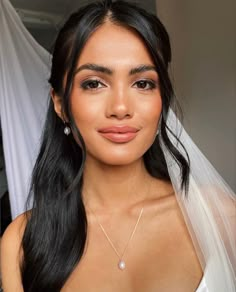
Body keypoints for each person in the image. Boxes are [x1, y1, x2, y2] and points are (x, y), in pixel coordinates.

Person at [1, 1, 235, 291]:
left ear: (162, 99)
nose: (121, 108)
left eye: (143, 83)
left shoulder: (222, 218)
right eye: (94, 83)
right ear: (60, 103)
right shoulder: (21, 242)